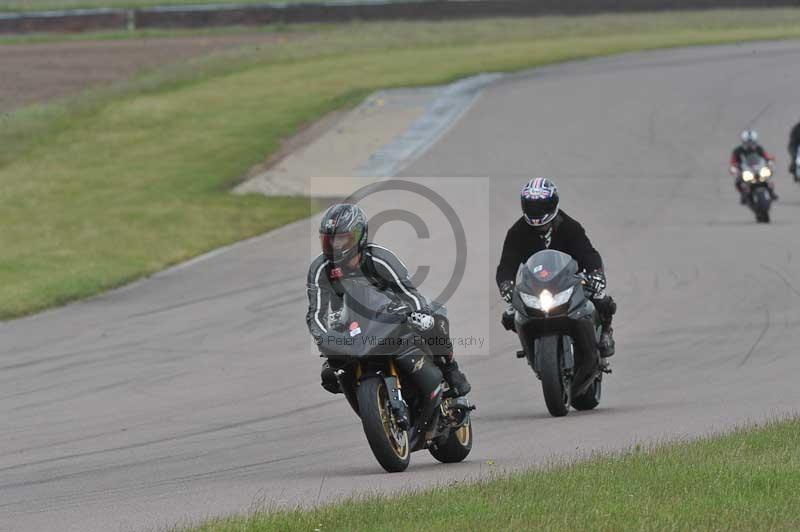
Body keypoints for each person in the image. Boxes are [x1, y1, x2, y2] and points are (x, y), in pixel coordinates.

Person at [306, 203, 471, 397]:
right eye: (330, 240)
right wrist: (323, 337)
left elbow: (410, 294)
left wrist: (419, 312)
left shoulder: (379, 258)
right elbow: (316, 313)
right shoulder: (320, 269)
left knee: (433, 320)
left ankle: (450, 369)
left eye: (342, 239)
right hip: (349, 325)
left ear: (359, 236)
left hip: (391, 315)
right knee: (329, 376)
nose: (335, 246)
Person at [495, 178, 616, 358]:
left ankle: (605, 332)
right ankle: (532, 350)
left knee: (601, 298)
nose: (536, 213)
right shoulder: (517, 232)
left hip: (569, 282)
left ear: (552, 205)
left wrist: (596, 274)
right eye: (531, 206)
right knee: (509, 316)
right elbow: (506, 264)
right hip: (535, 287)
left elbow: (588, 254)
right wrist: (506, 285)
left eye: (541, 206)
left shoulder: (569, 226)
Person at [729, 130, 778, 204]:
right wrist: (735, 168)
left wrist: (769, 161)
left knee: (768, 177)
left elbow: (766, 156)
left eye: (752, 142)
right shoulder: (738, 151)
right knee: (738, 182)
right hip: (745, 170)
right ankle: (743, 195)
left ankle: (771, 192)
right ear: (743, 142)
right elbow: (733, 161)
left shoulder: (759, 148)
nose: (750, 144)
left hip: (758, 169)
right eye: (748, 142)